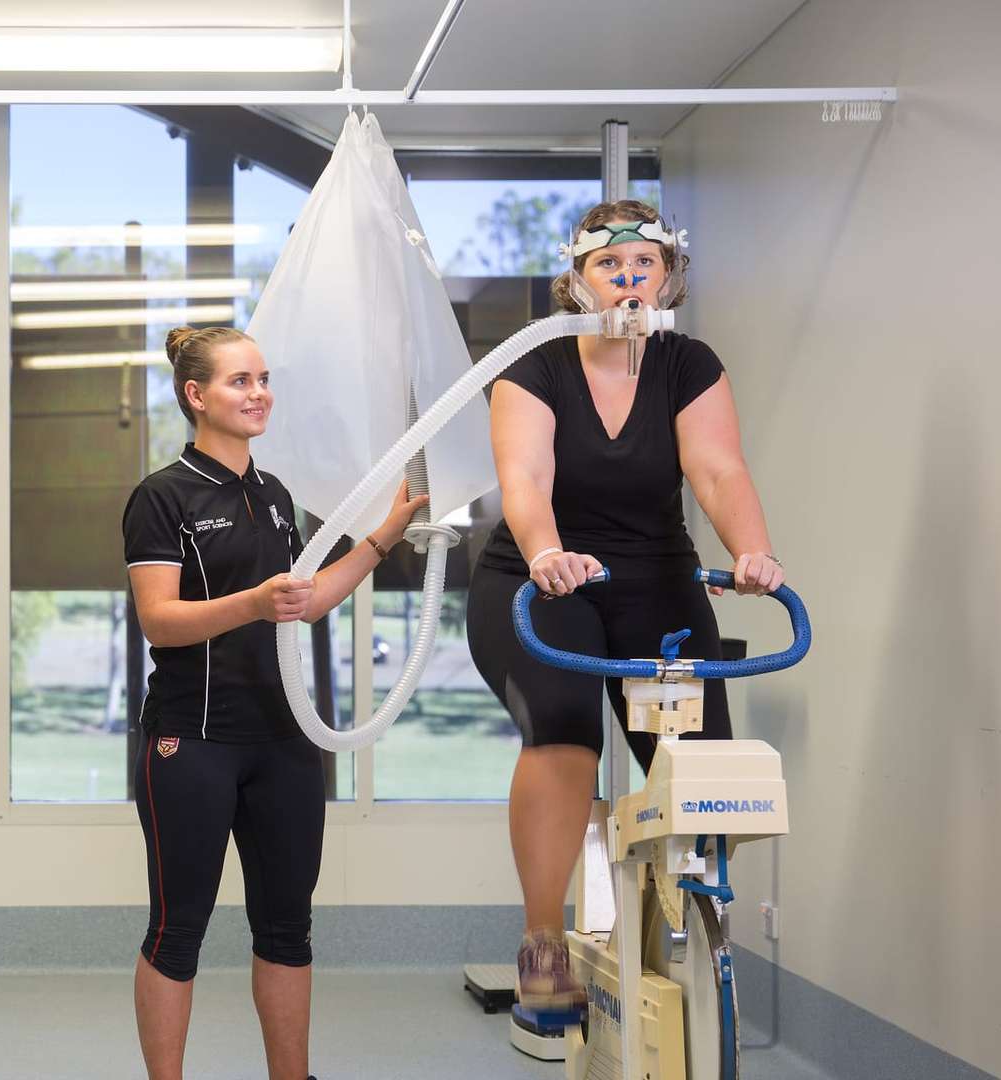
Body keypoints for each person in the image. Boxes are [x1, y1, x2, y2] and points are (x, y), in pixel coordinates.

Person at [465, 200, 786, 1016]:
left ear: (671, 274)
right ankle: (543, 945)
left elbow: (717, 470)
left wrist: (753, 550)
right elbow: (526, 480)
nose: (630, 277)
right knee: (566, 727)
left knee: (698, 764)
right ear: (577, 278)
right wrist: (544, 551)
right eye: (611, 265)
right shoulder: (533, 364)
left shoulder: (690, 363)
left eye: (646, 262)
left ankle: (683, 927)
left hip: (655, 575)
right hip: (541, 577)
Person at [122, 325, 426, 1080]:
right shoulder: (163, 496)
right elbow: (160, 619)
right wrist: (253, 602)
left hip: (285, 742)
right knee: (177, 931)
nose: (259, 394)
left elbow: (304, 600)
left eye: (263, 379)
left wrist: (384, 537)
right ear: (197, 396)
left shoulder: (274, 494)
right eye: (239, 382)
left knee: (288, 929)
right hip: (192, 742)